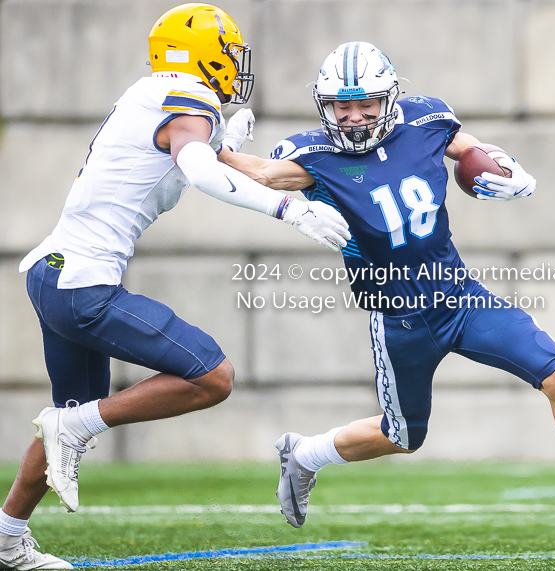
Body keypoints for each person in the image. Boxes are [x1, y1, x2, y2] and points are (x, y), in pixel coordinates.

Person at [220, 41, 555, 538]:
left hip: (460, 297)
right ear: (326, 106)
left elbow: (470, 150)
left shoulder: (425, 120)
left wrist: (507, 169)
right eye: (344, 106)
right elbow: (258, 174)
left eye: (367, 104)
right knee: (403, 436)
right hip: (399, 318)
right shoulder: (314, 156)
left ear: (390, 99)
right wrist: (219, 147)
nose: (356, 117)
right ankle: (303, 455)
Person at [0, 5, 350, 570]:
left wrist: (219, 143)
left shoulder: (155, 94)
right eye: (230, 54)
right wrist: (289, 209)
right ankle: (69, 434)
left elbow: (190, 160)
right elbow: (201, 170)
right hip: (82, 284)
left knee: (69, 421)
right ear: (205, 54)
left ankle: (6, 539)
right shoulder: (189, 96)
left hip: (53, 275)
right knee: (213, 376)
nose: (236, 67)